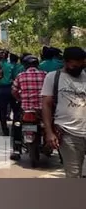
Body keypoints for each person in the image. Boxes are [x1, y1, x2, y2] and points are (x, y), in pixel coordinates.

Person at [42, 46, 86, 178]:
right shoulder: (52, 77)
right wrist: (49, 132)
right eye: (74, 66)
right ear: (66, 62)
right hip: (68, 134)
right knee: (73, 175)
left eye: (81, 66)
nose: (77, 69)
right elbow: (46, 105)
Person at [10, 55, 47, 159]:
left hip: (25, 109)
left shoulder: (20, 75)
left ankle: (16, 150)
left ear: (25, 65)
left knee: (17, 124)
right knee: (50, 123)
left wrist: (19, 99)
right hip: (42, 109)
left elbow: (14, 91)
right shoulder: (45, 74)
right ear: (37, 64)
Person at [0, 49, 15, 136]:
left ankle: (5, 130)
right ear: (7, 57)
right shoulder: (11, 66)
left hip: (0, 90)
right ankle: (15, 128)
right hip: (10, 88)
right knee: (15, 109)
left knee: (2, 111)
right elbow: (13, 77)